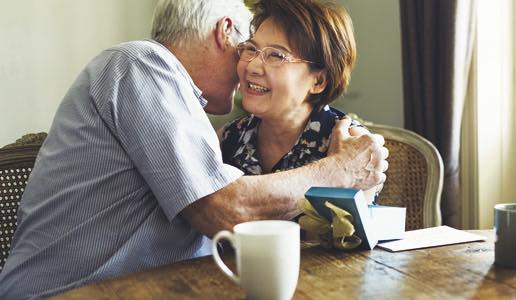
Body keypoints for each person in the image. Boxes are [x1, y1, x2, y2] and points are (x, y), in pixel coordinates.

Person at [0, 0, 388, 299]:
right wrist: (338, 172)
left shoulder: (188, 112)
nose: (248, 67)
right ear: (225, 32)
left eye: (274, 55)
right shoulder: (140, 65)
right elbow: (226, 211)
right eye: (247, 49)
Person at [221, 0, 382, 199]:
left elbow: (347, 230)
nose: (252, 66)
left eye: (276, 56)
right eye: (252, 49)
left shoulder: (351, 148)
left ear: (319, 81)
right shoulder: (228, 138)